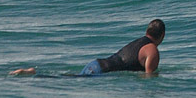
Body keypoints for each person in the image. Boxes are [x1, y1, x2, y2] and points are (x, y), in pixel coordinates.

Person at [9, 18, 165, 77]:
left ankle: (36, 74)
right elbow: (148, 77)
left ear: (147, 31)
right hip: (101, 72)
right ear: (162, 35)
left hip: (96, 64)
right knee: (66, 81)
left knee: (68, 78)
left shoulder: (138, 42)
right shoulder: (152, 50)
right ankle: (34, 74)